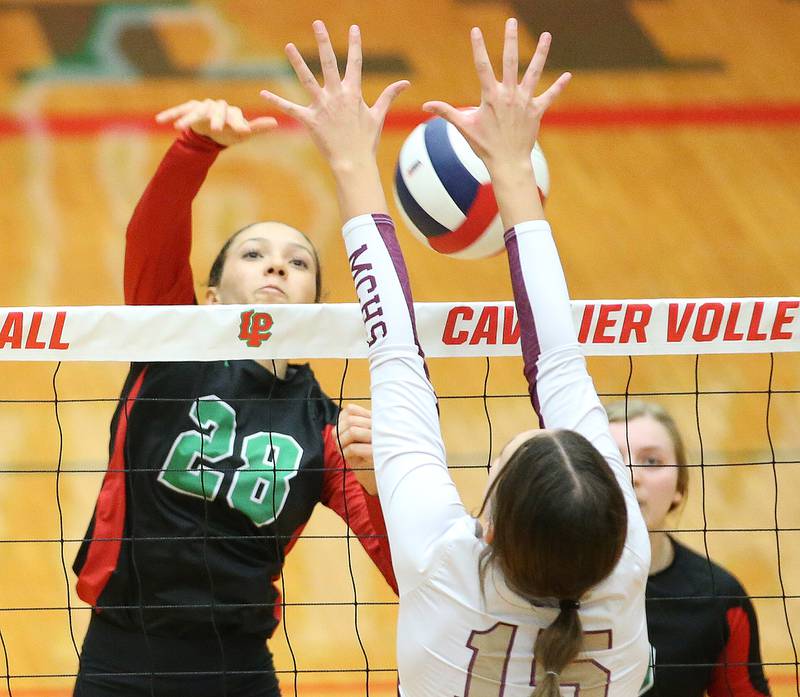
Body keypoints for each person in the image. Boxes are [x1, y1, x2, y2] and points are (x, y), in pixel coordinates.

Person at [262, 18, 650, 696]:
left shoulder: (449, 564)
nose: (525, 434)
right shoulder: (617, 566)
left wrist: (357, 160)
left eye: (511, 455)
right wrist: (510, 169)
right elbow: (538, 363)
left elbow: (405, 352)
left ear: (491, 526)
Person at [71, 94, 397, 695]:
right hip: (121, 654)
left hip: (238, 668)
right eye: (254, 255)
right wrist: (199, 145)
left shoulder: (327, 430)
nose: (276, 267)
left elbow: (406, 570)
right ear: (214, 298)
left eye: (298, 263)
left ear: (316, 313)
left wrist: (382, 484)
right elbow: (151, 236)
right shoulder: (174, 343)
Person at [606, 400, 771, 696]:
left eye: (651, 462)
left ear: (679, 488)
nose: (632, 476)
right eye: (612, 460)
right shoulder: (543, 582)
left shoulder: (718, 596)